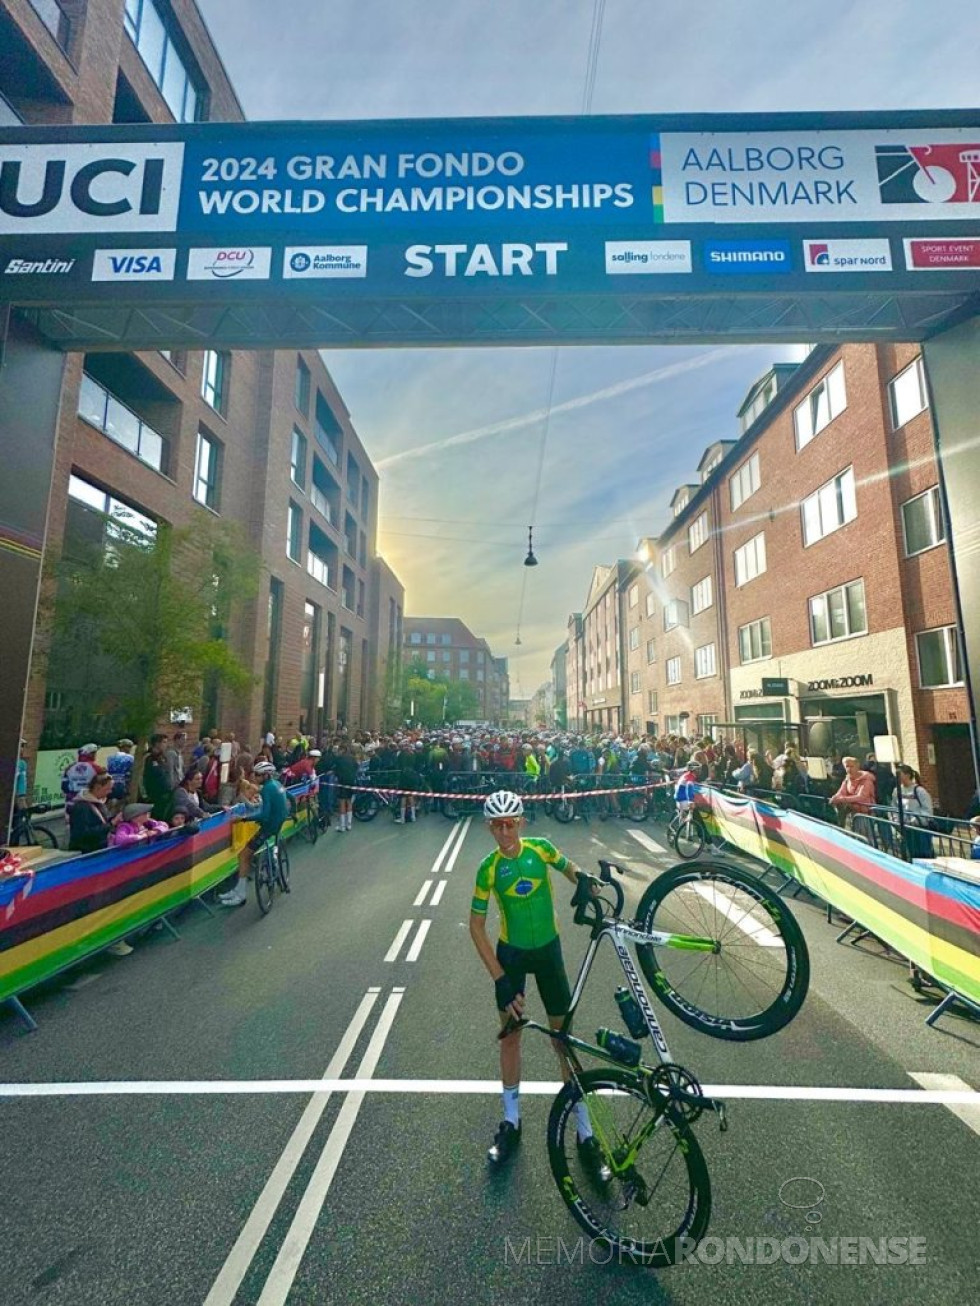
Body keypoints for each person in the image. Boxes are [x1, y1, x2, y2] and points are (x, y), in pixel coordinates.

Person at [469, 790, 606, 1175]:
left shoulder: (541, 849)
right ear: (489, 828)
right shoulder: (489, 868)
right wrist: (498, 978)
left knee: (563, 1041)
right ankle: (511, 1123)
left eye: (511, 823)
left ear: (522, 822)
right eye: (497, 825)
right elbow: (475, 926)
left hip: (548, 953)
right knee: (510, 1035)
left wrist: (585, 882)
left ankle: (585, 1133)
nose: (505, 832)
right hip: (511, 955)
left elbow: (570, 868)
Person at [219, 760, 289, 907]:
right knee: (249, 853)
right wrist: (291, 813)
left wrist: (243, 819)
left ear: (266, 775)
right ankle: (239, 888)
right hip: (277, 823)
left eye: (258, 775)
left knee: (244, 855)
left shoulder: (266, 789)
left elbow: (264, 815)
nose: (254, 777)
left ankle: (241, 894)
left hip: (268, 826)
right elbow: (292, 798)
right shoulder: (277, 784)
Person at [891, 766, 934, 859]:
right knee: (911, 853)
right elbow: (894, 807)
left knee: (924, 854)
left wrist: (917, 820)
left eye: (899, 775)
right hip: (906, 828)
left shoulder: (919, 791)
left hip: (920, 828)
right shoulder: (896, 790)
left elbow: (928, 809)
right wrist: (895, 819)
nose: (897, 777)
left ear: (907, 775)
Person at [68, 773, 117, 853]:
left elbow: (102, 821)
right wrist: (111, 824)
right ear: (98, 788)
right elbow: (83, 834)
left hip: (98, 848)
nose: (110, 792)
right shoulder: (82, 807)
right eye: (107, 789)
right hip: (86, 852)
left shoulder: (100, 802)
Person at [829, 756, 877, 825]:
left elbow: (861, 796)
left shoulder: (867, 779)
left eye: (851, 766)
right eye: (847, 766)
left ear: (857, 766)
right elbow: (841, 792)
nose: (849, 769)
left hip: (865, 814)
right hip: (852, 813)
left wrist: (842, 799)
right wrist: (835, 797)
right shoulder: (847, 779)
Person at [142, 734, 176, 822]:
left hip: (167, 794)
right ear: (157, 744)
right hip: (154, 796)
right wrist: (144, 795)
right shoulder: (147, 758)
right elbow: (141, 777)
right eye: (164, 742)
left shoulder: (163, 757)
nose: (166, 745)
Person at [332, 743, 359, 832]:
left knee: (342, 803)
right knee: (349, 802)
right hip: (351, 782)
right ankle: (349, 824)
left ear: (342, 750)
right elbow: (357, 767)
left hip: (342, 783)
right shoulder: (352, 758)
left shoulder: (338, 759)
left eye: (339, 750)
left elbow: (335, 771)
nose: (338, 752)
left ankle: (342, 826)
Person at [107, 739, 136, 807]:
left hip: (112, 784)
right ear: (125, 747)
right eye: (129, 747)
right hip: (123, 785)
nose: (130, 749)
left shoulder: (110, 758)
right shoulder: (130, 758)